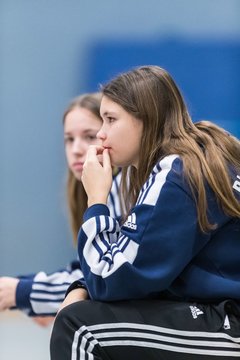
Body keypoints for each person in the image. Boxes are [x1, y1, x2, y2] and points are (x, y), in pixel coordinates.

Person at [50, 65, 240, 359]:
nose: (101, 135)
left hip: (230, 324)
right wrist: (79, 285)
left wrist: (96, 200)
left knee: (79, 326)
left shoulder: (176, 171)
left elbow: (109, 279)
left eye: (110, 120)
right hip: (219, 312)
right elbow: (132, 264)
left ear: (146, 121)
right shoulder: (197, 156)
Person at [0, 92, 121, 325]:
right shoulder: (86, 192)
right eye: (69, 139)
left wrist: (21, 292)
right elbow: (84, 272)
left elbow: (99, 276)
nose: (76, 149)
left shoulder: (122, 188)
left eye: (89, 136)